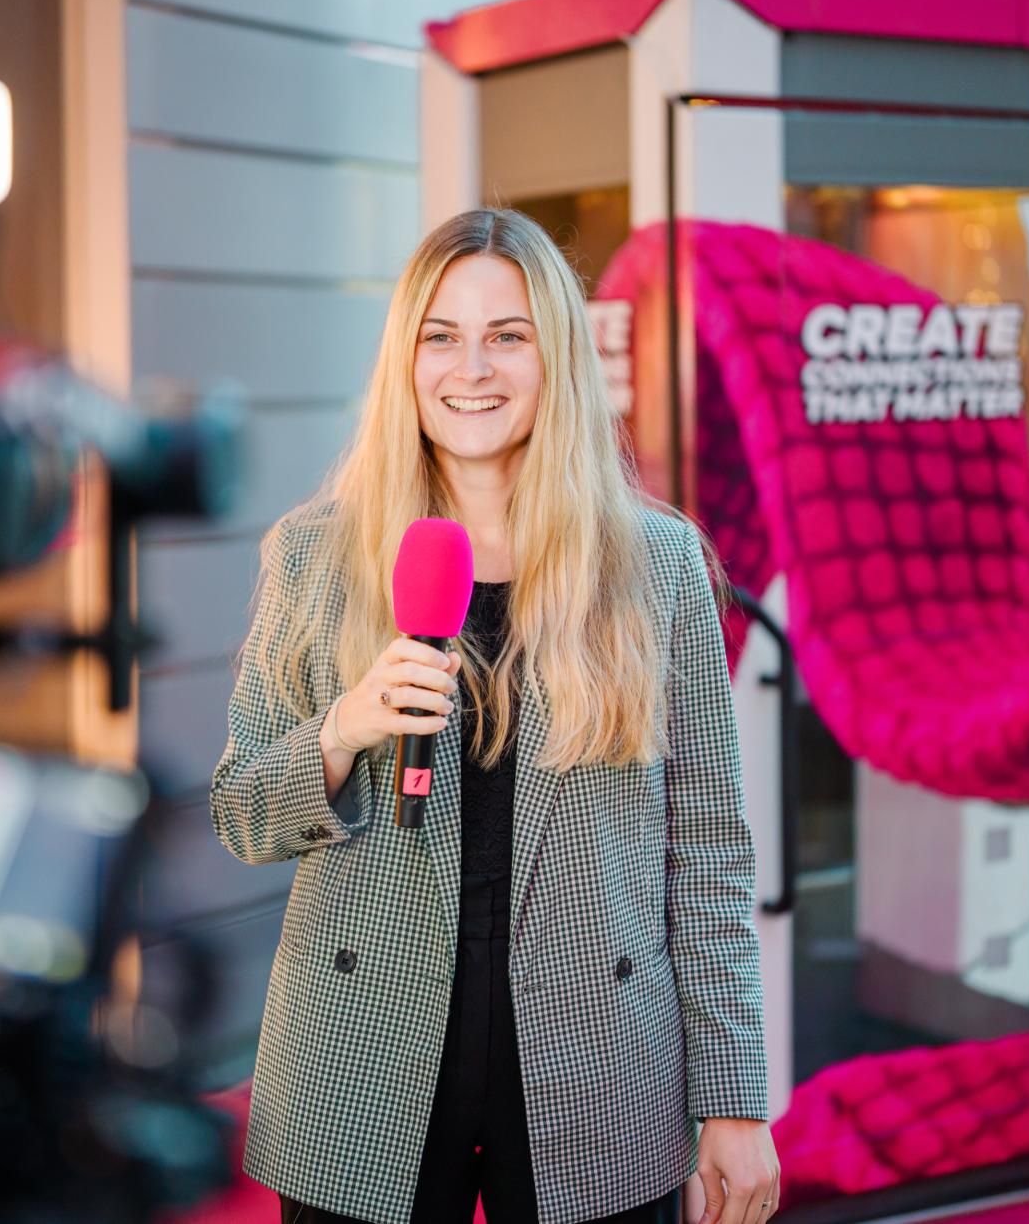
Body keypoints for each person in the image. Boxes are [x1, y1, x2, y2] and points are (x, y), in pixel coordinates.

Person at [211, 208, 779, 1224]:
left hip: (596, 1061)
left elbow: (708, 851)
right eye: (442, 335)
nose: (471, 368)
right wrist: (341, 730)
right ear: (406, 358)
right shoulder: (315, 555)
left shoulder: (658, 566)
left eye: (507, 335)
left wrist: (733, 1098)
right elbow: (242, 812)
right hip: (367, 1051)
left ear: (553, 353)